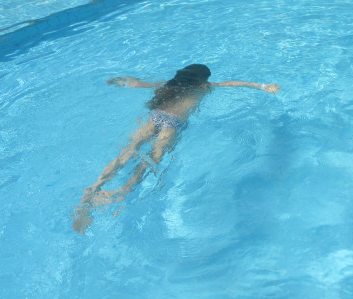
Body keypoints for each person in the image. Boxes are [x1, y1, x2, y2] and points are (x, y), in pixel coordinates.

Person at [73, 64, 280, 233]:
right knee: (151, 159)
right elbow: (233, 83)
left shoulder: (167, 85)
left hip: (154, 117)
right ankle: (122, 192)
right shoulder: (205, 87)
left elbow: (138, 83)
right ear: (203, 79)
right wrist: (263, 86)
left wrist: (120, 80)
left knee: (125, 154)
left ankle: (94, 187)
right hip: (172, 124)